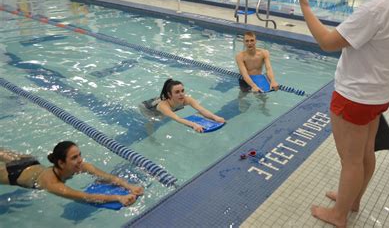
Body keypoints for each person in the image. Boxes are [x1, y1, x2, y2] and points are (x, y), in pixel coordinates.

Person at [294, 0, 389, 228]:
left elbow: (327, 42)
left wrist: (304, 5)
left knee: (351, 161)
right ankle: (354, 199)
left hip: (355, 97)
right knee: (365, 153)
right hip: (380, 94)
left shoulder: (375, 9)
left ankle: (339, 216)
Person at [0, 141, 143, 206]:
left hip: (30, 161)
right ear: (61, 163)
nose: (80, 160)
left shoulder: (78, 166)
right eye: (74, 158)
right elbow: (85, 196)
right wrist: (118, 198)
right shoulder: (51, 183)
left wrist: (129, 186)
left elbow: (107, 177)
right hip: (14, 174)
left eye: (79, 155)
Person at [142, 78, 225, 133]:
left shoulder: (186, 99)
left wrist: (215, 117)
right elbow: (177, 118)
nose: (181, 94)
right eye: (177, 92)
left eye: (182, 91)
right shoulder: (163, 106)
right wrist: (194, 125)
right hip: (149, 108)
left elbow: (201, 110)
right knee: (151, 122)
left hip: (169, 103)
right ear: (169, 94)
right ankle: (150, 138)